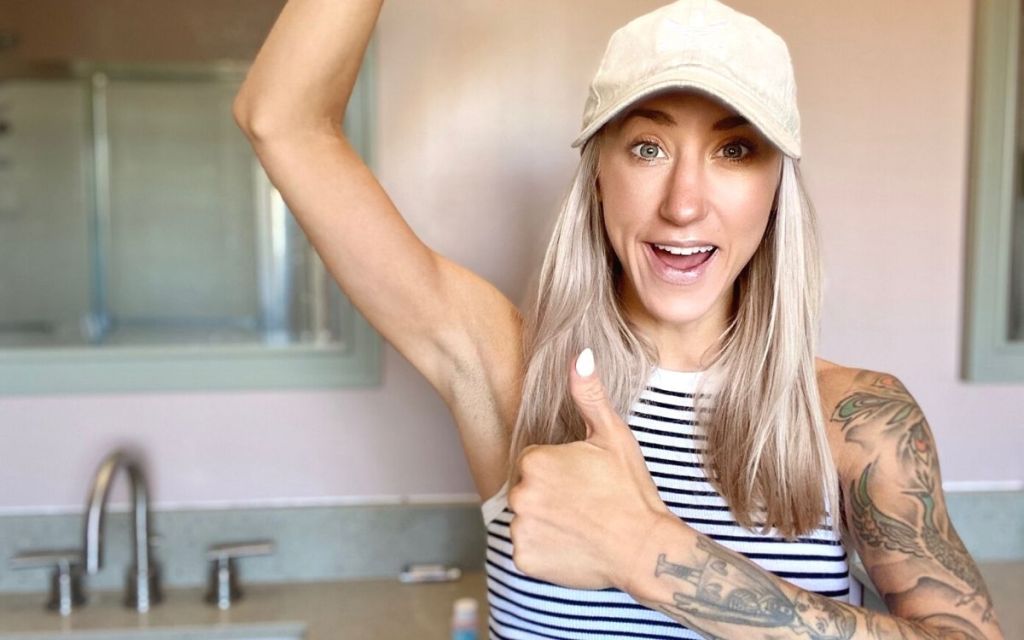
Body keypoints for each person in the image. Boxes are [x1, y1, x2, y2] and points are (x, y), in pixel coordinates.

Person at [233, 0, 1003, 638]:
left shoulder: (856, 421)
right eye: (646, 147)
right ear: (598, 174)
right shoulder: (513, 372)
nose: (684, 203)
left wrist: (648, 552)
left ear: (777, 190)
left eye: (735, 149)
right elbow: (282, 120)